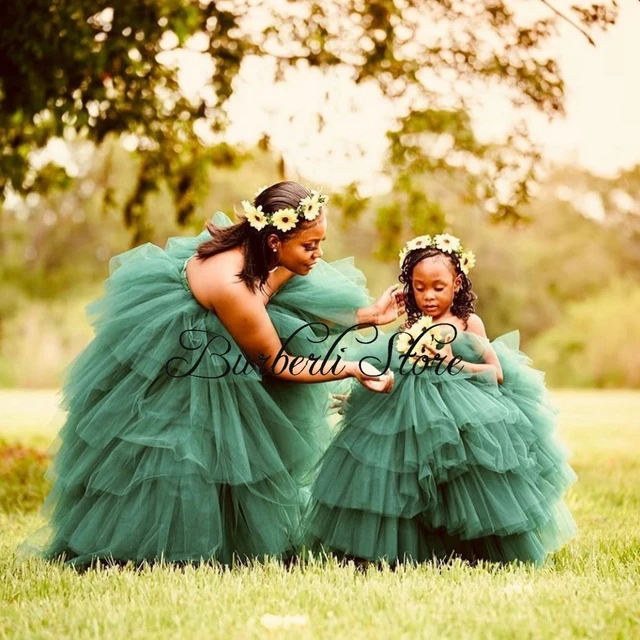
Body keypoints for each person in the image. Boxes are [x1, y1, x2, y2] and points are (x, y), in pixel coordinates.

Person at [19, 181, 401, 568]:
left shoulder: (253, 254)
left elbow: (267, 293)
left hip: (212, 335)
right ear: (273, 241)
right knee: (180, 451)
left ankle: (220, 545)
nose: (319, 254)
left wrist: (368, 315)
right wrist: (352, 367)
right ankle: (153, 550)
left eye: (321, 241)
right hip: (184, 357)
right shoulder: (233, 285)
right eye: (309, 245)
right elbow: (280, 364)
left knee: (219, 447)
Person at [305, 233, 578, 566]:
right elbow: (397, 369)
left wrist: (449, 362)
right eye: (419, 288)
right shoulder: (410, 323)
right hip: (408, 409)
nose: (428, 296)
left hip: (459, 410)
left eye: (438, 287)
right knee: (401, 476)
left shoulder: (467, 323)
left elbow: (495, 373)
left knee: (459, 480)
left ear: (457, 283)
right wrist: (361, 401)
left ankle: (468, 550)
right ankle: (404, 551)